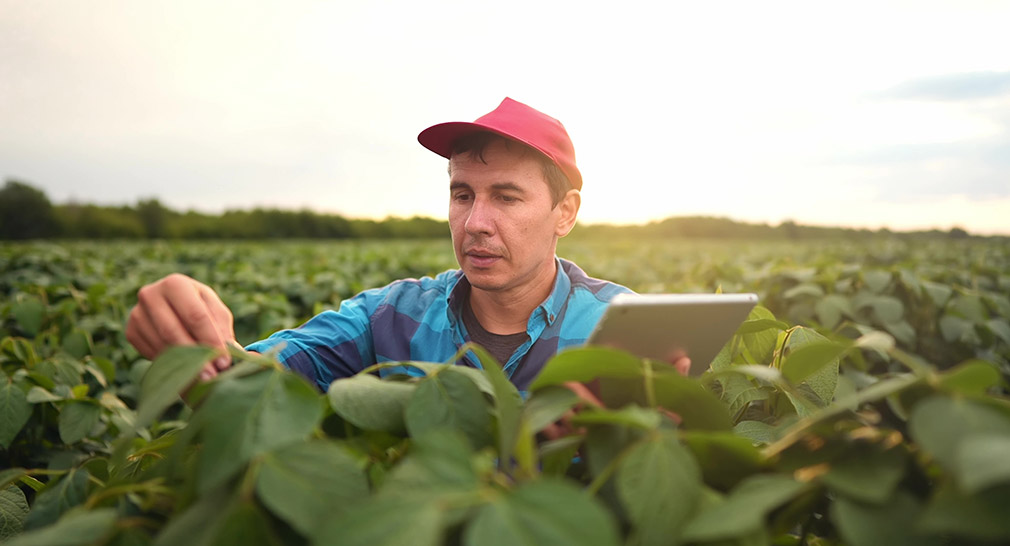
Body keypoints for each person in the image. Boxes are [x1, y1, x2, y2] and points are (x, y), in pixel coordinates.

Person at [125, 97, 689, 392]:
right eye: (462, 194)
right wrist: (195, 346)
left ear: (564, 213)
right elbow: (252, 384)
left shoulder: (621, 324)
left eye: (508, 197)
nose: (475, 223)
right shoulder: (389, 317)